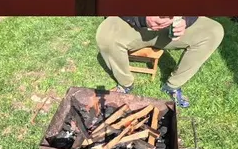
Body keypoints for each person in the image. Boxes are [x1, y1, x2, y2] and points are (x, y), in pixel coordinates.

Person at [96, 16, 225, 108]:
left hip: (171, 27)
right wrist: (142, 19)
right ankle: (125, 84)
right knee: (106, 33)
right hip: (135, 26)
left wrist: (186, 20)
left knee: (214, 31)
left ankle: (173, 86)